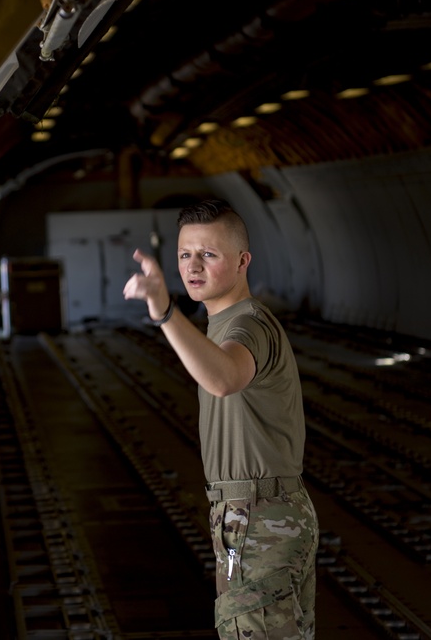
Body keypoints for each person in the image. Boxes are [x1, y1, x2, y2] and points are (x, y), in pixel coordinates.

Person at [122, 199, 319, 640]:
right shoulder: (223, 322)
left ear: (242, 261)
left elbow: (225, 378)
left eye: (208, 254)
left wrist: (164, 311)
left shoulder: (247, 326)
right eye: (184, 255)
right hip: (255, 515)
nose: (193, 266)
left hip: (259, 519)